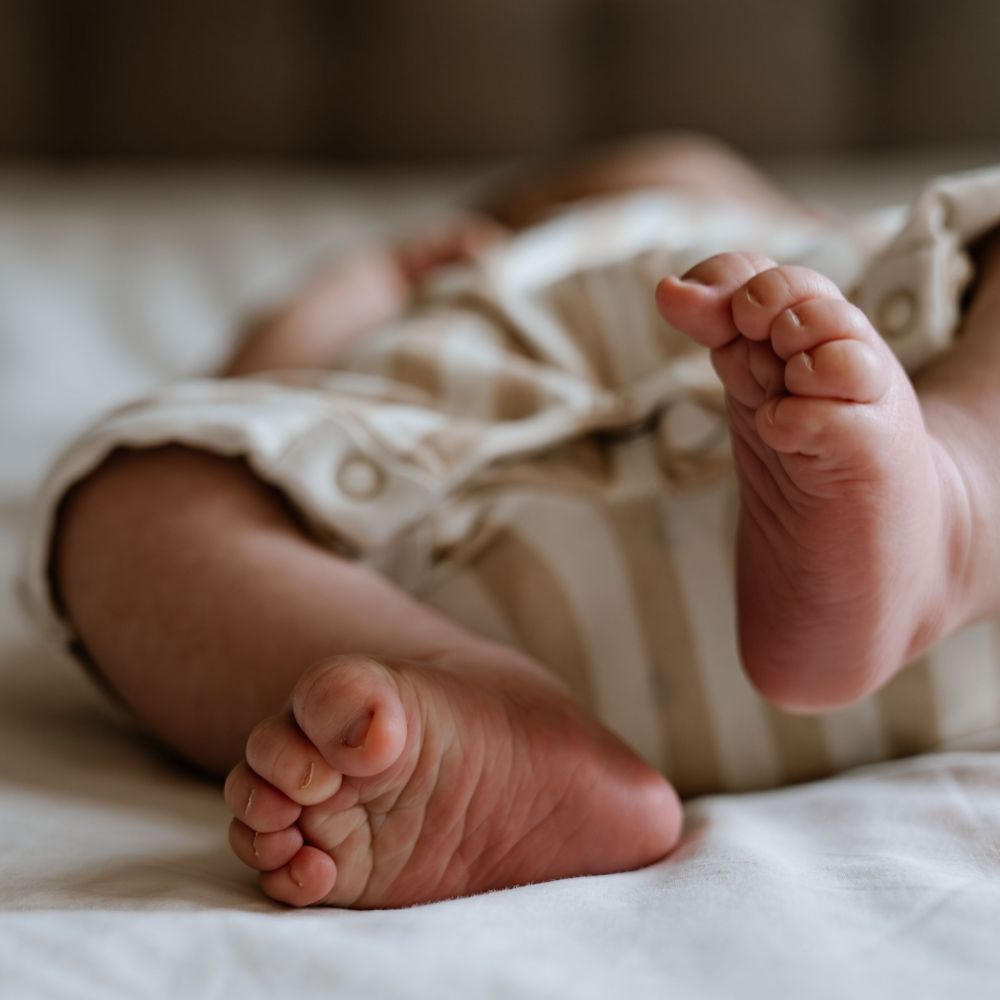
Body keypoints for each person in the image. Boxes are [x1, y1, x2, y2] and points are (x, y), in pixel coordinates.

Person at [30, 134, 1000, 909]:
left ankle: (950, 504)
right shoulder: (430, 300)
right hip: (449, 601)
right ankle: (483, 717)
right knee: (139, 485)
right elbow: (245, 400)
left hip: (875, 485)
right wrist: (363, 279)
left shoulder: (852, 283)